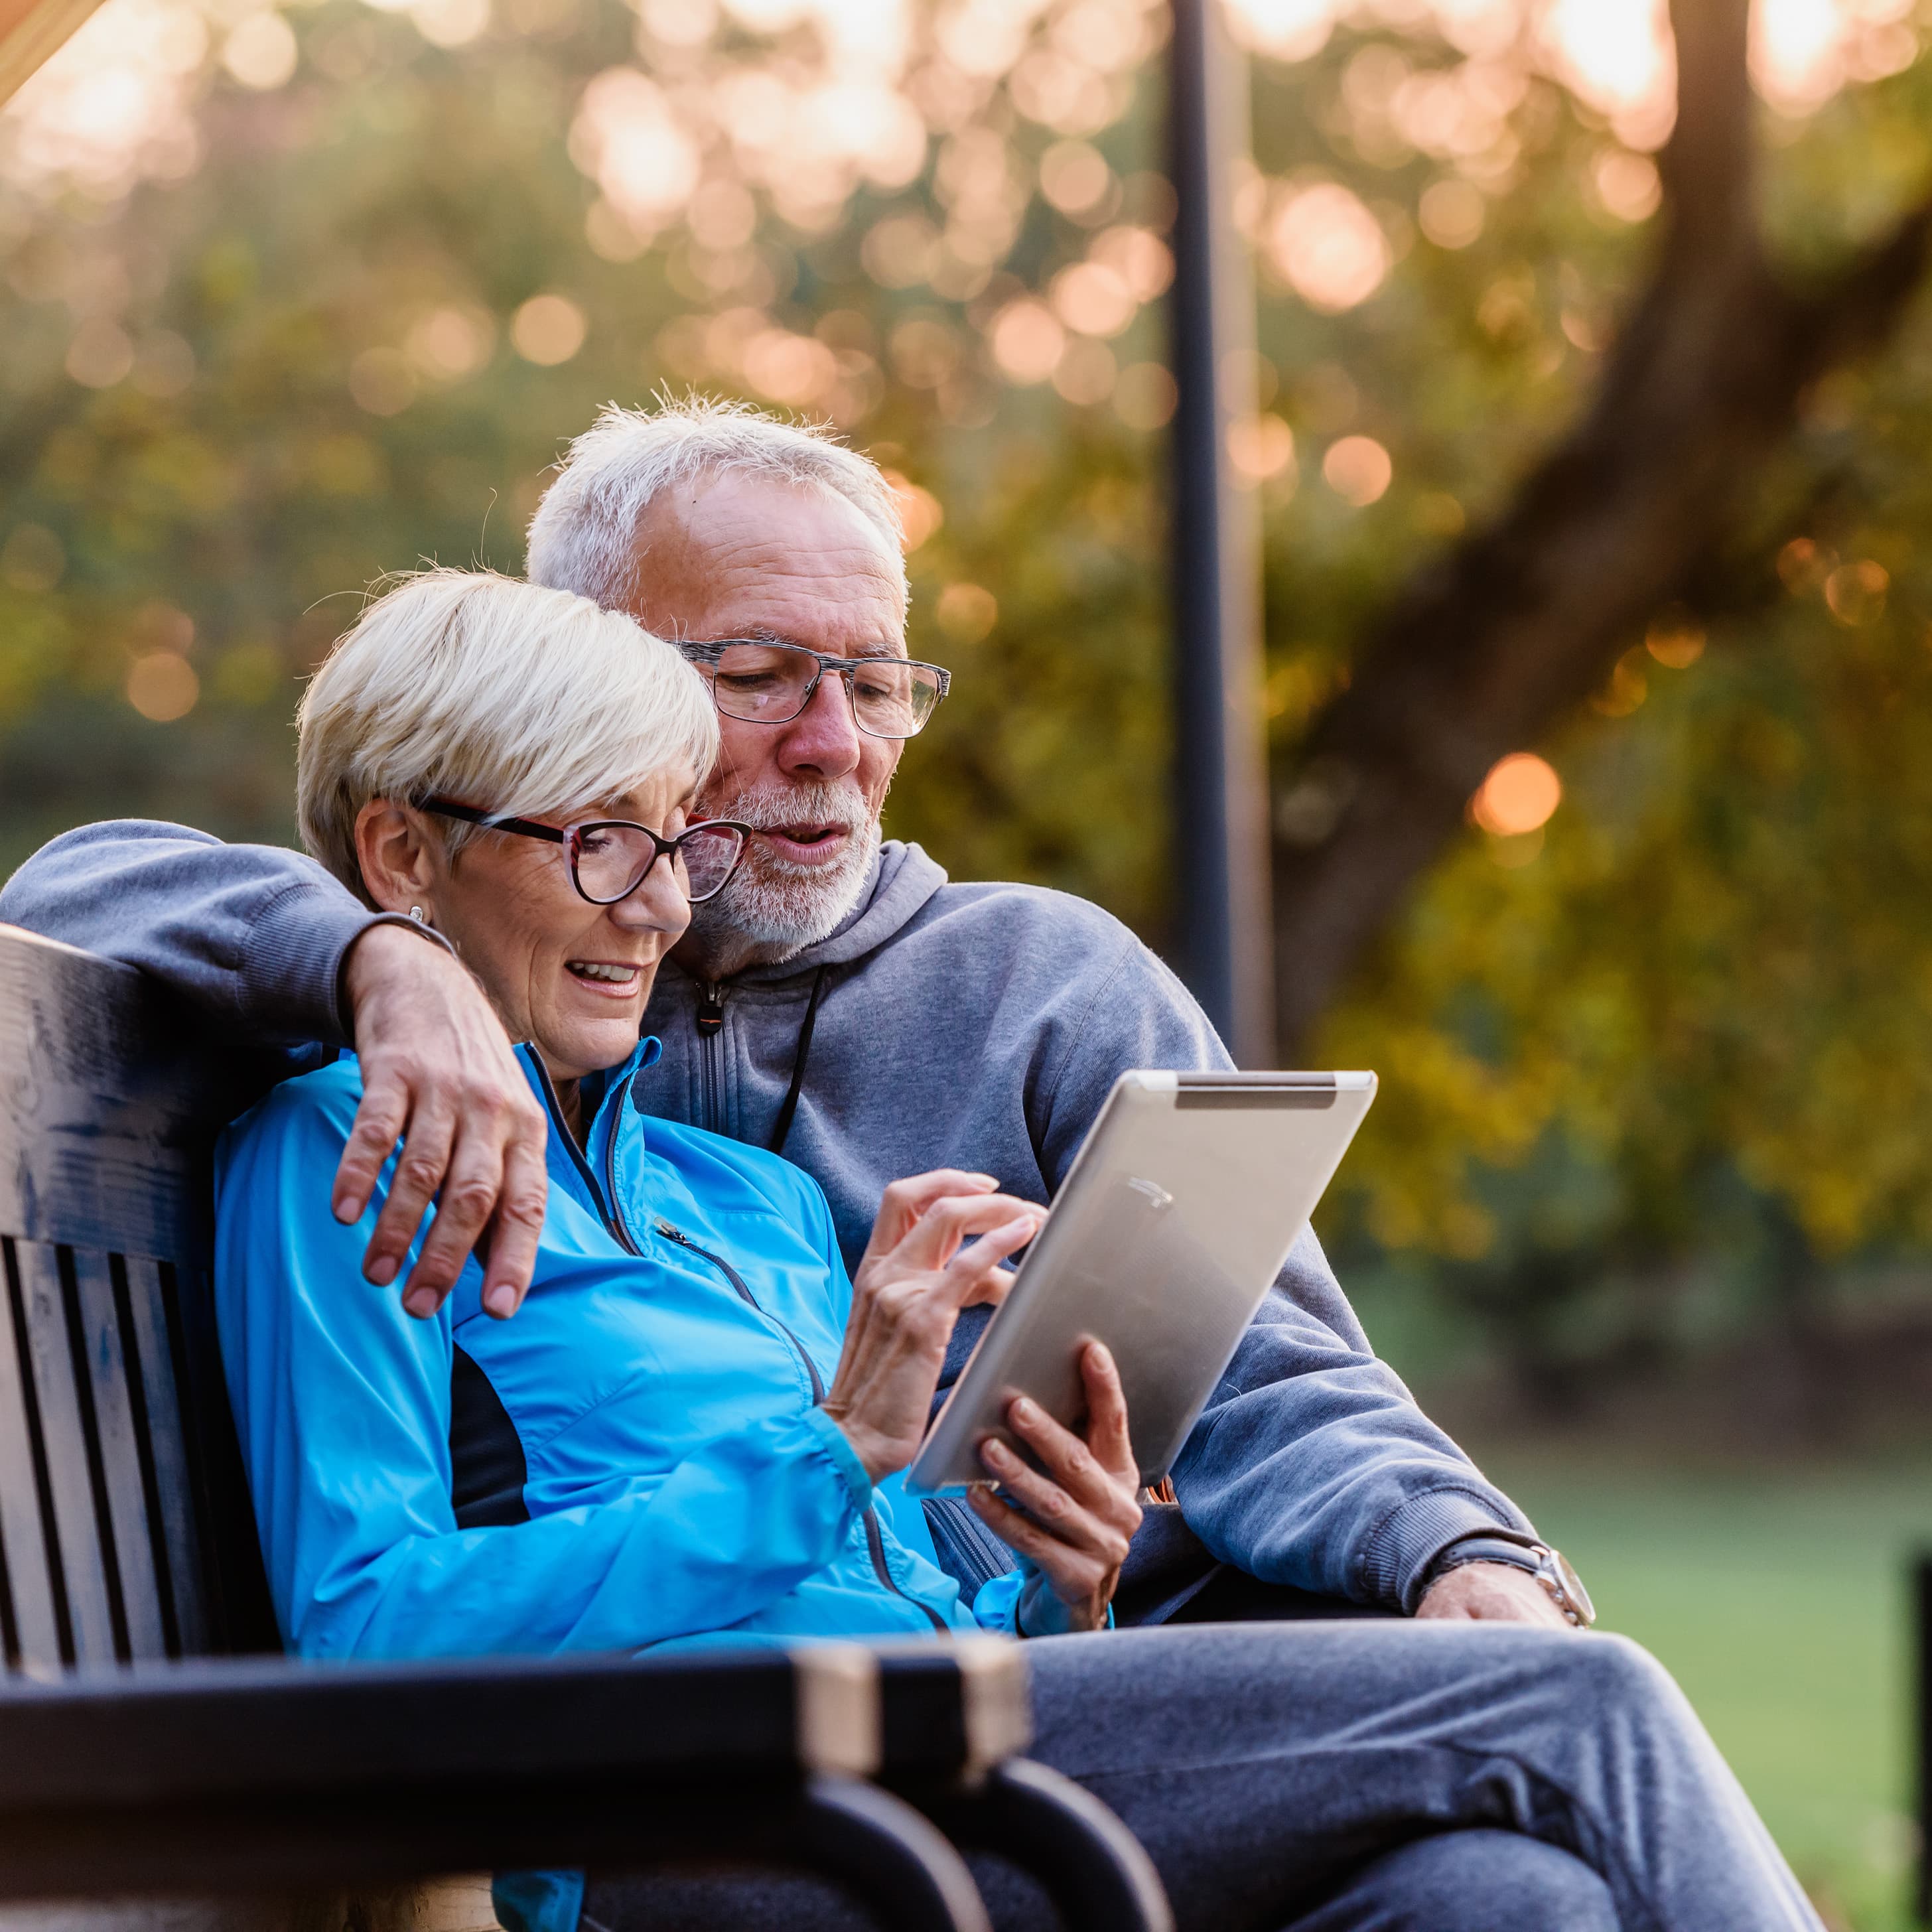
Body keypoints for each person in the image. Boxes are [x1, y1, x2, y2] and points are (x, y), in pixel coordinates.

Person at [223, 566, 1821, 1932]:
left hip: (906, 1763)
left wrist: (1056, 1592)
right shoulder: (337, 1155)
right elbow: (369, 1631)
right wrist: (829, 1445)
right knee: (1573, 1703)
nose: (650, 909)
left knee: (1492, 1897)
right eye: (593, 844)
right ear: (401, 856)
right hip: (694, 1826)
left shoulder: (740, 1196)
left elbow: (873, 1575)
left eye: (667, 845)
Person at [4, 397, 1543, 1627]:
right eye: (757, 673)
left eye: (874, 685)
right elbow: (85, 885)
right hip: (777, 1790)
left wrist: (1451, 1549)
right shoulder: (481, 956)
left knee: (1509, 1843)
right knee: (1540, 1763)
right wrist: (376, 964)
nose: (832, 744)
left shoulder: (1033, 989)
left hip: (1088, 1676)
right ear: (597, 673)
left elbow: (1276, 1367)